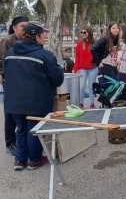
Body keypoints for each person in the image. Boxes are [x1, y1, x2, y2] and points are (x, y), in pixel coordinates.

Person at [4, 23, 64, 170]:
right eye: (42, 35)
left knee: (21, 128)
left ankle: (20, 160)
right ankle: (35, 159)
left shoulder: (10, 53)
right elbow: (57, 79)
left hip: (14, 100)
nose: (44, 37)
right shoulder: (44, 55)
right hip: (37, 100)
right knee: (35, 129)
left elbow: (7, 74)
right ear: (36, 37)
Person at [0, 16, 29, 156]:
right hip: (10, 81)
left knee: (24, 111)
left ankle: (22, 139)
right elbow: (1, 59)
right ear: (15, 28)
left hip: (25, 81)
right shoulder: (7, 41)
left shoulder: (27, 39)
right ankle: (10, 143)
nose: (25, 28)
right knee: (10, 112)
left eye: (26, 26)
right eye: (22, 26)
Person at [72, 26, 98, 109]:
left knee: (91, 87)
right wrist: (74, 69)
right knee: (81, 87)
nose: (82, 34)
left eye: (84, 32)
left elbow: (99, 54)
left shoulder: (95, 43)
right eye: (81, 32)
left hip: (93, 68)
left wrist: (99, 62)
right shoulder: (79, 43)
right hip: (82, 69)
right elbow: (77, 57)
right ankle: (80, 103)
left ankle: (91, 103)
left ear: (89, 33)